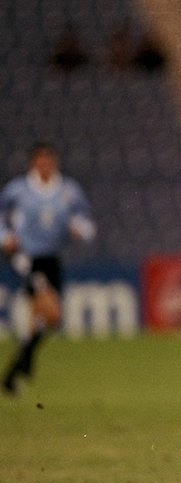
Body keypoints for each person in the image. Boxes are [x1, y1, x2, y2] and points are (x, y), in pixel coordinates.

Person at [1, 142, 96, 395]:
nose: (45, 165)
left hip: (52, 260)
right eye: (40, 161)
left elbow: (86, 222)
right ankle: (21, 366)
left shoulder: (68, 190)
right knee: (53, 314)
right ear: (33, 163)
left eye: (48, 161)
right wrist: (4, 237)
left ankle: (14, 373)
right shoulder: (18, 190)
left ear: (54, 162)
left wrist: (80, 229)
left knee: (38, 320)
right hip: (25, 258)